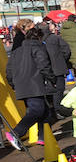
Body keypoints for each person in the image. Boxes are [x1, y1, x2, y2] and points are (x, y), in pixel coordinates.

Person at [4, 20, 56, 150]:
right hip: (33, 84)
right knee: (36, 110)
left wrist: (13, 83)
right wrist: (52, 78)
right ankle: (15, 133)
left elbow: (9, 70)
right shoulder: (38, 47)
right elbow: (44, 65)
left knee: (44, 112)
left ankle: (42, 137)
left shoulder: (17, 51)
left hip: (21, 84)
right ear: (39, 37)